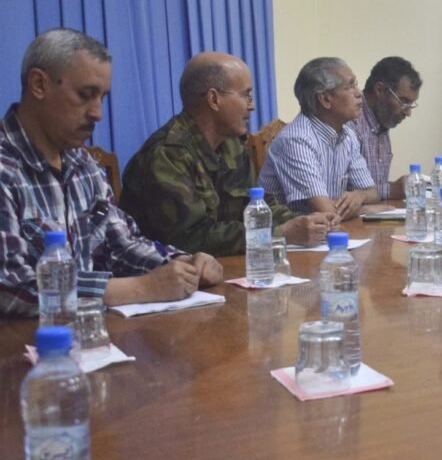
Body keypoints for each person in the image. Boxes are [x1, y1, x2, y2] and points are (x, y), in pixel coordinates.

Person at [0, 28, 222, 317]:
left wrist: (181, 264)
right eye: (85, 95)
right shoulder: (7, 169)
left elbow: (120, 244)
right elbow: (9, 288)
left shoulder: (83, 165)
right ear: (39, 84)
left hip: (88, 339)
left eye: (102, 97)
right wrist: (139, 289)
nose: (97, 113)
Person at [120, 52, 335, 256]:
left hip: (225, 268)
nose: (251, 106)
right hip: (168, 278)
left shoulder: (232, 145)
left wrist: (309, 223)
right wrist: (281, 234)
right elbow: (189, 239)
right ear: (214, 99)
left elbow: (259, 205)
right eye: (246, 95)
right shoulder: (167, 154)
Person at [259, 57, 379, 220]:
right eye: (350, 86)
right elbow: (326, 212)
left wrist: (359, 196)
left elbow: (372, 192)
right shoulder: (296, 140)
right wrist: (364, 210)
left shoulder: (348, 135)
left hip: (327, 233)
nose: (359, 94)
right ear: (325, 99)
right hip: (288, 239)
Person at [350, 56, 422, 200]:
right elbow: (347, 193)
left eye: (411, 104)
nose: (408, 112)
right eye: (404, 101)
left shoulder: (382, 122)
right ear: (380, 90)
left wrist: (395, 188)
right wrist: (392, 189)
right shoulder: (350, 120)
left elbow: (373, 186)